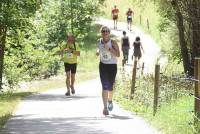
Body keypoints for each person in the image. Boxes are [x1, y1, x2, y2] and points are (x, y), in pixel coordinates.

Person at [96, 26, 120, 115]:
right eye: (103, 31)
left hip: (112, 66)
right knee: (104, 86)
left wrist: (109, 49)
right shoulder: (99, 41)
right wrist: (97, 51)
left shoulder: (113, 42)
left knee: (110, 86)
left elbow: (118, 54)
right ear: (101, 33)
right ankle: (105, 107)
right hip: (103, 66)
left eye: (107, 31)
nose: (105, 32)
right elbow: (98, 48)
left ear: (109, 33)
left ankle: (110, 100)